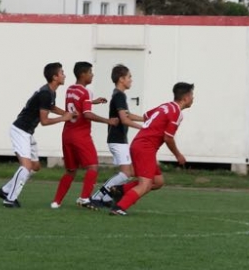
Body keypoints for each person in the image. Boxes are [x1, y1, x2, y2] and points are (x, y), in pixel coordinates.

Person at [110, 82, 195, 216]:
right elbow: (168, 138)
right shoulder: (176, 113)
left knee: (158, 181)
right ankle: (119, 207)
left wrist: (131, 116)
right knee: (145, 184)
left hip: (139, 145)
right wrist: (178, 155)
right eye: (192, 95)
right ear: (186, 97)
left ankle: (119, 190)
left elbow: (147, 117)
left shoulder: (165, 106)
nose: (193, 98)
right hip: (145, 148)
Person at [0, 62, 73, 208]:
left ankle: (5, 190)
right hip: (20, 131)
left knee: (35, 166)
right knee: (26, 166)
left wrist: (67, 113)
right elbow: (44, 121)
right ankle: (10, 199)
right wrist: (64, 118)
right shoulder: (45, 93)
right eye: (62, 73)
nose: (64, 75)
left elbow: (50, 107)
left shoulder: (50, 92)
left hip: (27, 132)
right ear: (55, 77)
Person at [50, 61, 117, 209]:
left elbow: (77, 105)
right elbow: (86, 114)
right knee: (93, 166)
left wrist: (93, 102)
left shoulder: (70, 89)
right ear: (82, 74)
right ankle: (84, 198)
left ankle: (56, 202)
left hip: (67, 134)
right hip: (81, 135)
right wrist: (108, 121)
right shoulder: (86, 92)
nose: (92, 75)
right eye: (90, 72)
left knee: (70, 171)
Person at [91, 64, 143, 207]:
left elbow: (127, 115)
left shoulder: (119, 94)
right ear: (121, 79)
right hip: (117, 140)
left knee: (129, 172)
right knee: (126, 173)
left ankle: (107, 198)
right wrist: (144, 128)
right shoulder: (119, 96)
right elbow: (124, 120)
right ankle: (97, 196)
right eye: (129, 77)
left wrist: (146, 118)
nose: (131, 80)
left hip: (119, 140)